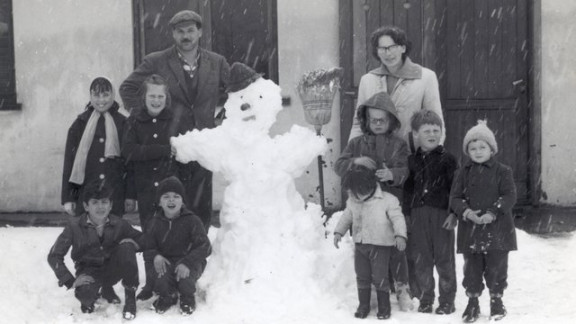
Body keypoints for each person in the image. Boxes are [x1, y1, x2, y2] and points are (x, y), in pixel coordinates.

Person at [119, 10, 230, 229]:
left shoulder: (216, 62)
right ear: (173, 34)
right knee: (167, 207)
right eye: (180, 32)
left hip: (201, 147)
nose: (186, 36)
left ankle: (197, 256)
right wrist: (146, 116)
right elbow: (128, 89)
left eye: (190, 31)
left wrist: (223, 117)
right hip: (168, 147)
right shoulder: (156, 61)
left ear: (199, 32)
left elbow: (238, 92)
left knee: (199, 207)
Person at [334, 91, 412, 311]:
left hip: (389, 204)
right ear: (365, 120)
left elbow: (406, 170)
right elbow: (338, 165)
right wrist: (355, 161)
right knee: (366, 250)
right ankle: (372, 292)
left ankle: (402, 288)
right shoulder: (357, 143)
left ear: (391, 121)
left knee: (396, 249)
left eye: (382, 120)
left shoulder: (399, 144)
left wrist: (393, 175)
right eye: (373, 120)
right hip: (363, 206)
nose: (377, 124)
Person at [122, 74, 187, 300]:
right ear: (144, 97)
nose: (156, 100)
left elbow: (182, 152)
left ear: (166, 98)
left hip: (170, 192)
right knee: (150, 238)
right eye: (152, 96)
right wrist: (161, 149)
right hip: (147, 190)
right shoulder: (134, 121)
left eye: (160, 96)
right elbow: (129, 153)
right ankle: (150, 283)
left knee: (172, 237)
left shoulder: (174, 120)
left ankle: (171, 283)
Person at [450, 120, 517, 323]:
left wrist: (493, 212)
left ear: (491, 148)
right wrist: (467, 212)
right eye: (472, 148)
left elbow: (509, 196)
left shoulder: (503, 171)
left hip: (498, 230)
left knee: (497, 267)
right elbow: (455, 198)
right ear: (467, 151)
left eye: (482, 147)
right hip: (471, 229)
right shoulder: (462, 173)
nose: (478, 151)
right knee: (472, 268)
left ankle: (496, 300)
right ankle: (472, 302)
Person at [47, 180, 142, 320]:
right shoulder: (74, 226)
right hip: (89, 272)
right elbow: (54, 256)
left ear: (111, 206)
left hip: (112, 269)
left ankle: (130, 299)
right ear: (86, 206)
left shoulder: (120, 224)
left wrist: (135, 243)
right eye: (95, 202)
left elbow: (144, 240)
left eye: (104, 202)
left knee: (127, 246)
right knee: (85, 298)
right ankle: (97, 294)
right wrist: (70, 281)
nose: (100, 207)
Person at [348, 25, 445, 153]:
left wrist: (434, 154)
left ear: (403, 48)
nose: (388, 53)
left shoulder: (426, 77)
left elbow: (436, 120)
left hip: (413, 154)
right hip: (376, 154)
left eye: (392, 47)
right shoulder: (367, 79)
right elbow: (358, 123)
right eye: (382, 48)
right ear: (376, 51)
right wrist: (352, 153)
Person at [333, 163, 407, 320]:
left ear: (371, 185)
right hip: (360, 245)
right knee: (362, 275)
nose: (356, 196)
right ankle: (363, 305)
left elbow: (397, 218)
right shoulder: (353, 200)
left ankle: (384, 307)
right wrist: (339, 232)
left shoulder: (387, 200)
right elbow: (347, 216)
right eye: (353, 192)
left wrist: (400, 235)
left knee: (380, 277)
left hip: (381, 246)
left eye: (360, 192)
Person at [402, 110, 458, 315]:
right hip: (418, 215)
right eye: (427, 131)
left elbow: (455, 188)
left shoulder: (448, 159)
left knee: (444, 259)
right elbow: (408, 189)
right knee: (421, 259)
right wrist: (406, 214)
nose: (432, 134)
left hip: (441, 215)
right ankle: (426, 298)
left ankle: (447, 300)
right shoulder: (412, 161)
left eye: (436, 130)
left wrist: (454, 213)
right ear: (416, 133)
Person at [61, 77, 135, 217]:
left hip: (115, 192)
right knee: (87, 234)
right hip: (86, 193)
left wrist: (130, 195)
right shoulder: (80, 123)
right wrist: (68, 198)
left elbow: (130, 163)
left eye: (105, 95)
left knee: (113, 234)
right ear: (90, 96)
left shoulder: (123, 123)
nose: (101, 100)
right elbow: (69, 162)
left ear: (112, 95)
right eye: (96, 95)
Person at [141, 176, 211, 316]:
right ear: (159, 202)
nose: (171, 200)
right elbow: (148, 246)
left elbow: (204, 246)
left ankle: (187, 297)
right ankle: (168, 296)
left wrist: (188, 262)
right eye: (166, 197)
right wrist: (155, 256)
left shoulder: (192, 220)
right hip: (166, 261)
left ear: (182, 201)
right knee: (162, 276)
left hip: (188, 261)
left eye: (176, 196)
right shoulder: (154, 223)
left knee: (185, 279)